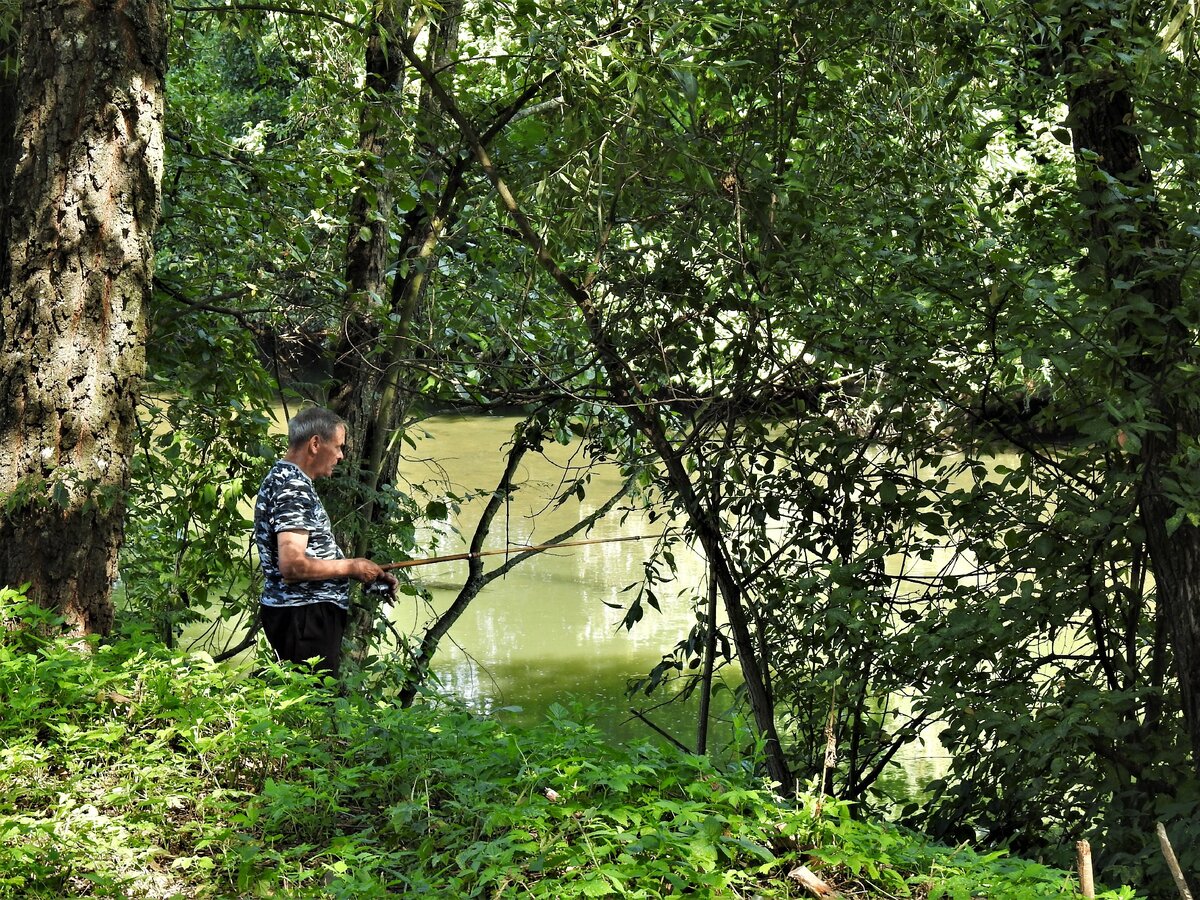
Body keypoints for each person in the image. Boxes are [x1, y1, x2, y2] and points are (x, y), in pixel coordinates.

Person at [253, 406, 396, 677]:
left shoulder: (286, 480)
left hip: (303, 616)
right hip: (303, 618)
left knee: (306, 704)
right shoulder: (292, 486)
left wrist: (365, 571)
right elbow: (292, 566)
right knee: (310, 705)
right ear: (315, 443)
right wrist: (351, 567)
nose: (341, 456)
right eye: (339, 447)